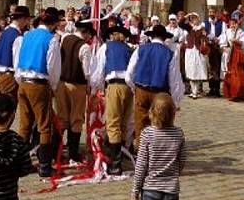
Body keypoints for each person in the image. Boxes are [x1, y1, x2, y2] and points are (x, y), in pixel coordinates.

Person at [131, 93, 186, 200]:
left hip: (150, 190)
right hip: (171, 190)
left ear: (151, 112)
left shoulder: (147, 134)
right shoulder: (178, 134)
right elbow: (181, 161)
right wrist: (174, 173)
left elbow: (141, 165)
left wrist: (136, 189)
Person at [15, 6, 61, 177]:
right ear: (55, 23)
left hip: (23, 81)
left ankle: (21, 163)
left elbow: (18, 60)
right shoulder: (51, 39)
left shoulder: (26, 36)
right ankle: (44, 165)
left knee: (24, 125)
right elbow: (53, 68)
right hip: (39, 83)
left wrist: (20, 80)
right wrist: (53, 87)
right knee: (44, 126)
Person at [126, 24, 184, 142]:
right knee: (158, 122)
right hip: (160, 94)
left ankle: (140, 150)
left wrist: (135, 88)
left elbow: (129, 74)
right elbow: (174, 80)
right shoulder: (169, 54)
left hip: (141, 90)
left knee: (140, 122)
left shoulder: (140, 49)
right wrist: (175, 100)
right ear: (164, 38)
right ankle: (157, 148)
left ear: (151, 36)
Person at [92, 24, 134, 175]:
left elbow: (99, 70)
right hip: (129, 87)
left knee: (113, 122)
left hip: (114, 85)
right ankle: (121, 156)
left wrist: (95, 89)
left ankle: (116, 164)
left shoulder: (106, 48)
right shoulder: (129, 49)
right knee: (124, 122)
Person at [55, 20, 94, 163]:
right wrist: (89, 85)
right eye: (90, 35)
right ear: (86, 33)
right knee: (76, 119)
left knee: (62, 118)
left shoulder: (65, 39)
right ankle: (73, 152)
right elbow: (87, 71)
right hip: (77, 85)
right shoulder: (84, 47)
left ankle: (56, 151)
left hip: (61, 83)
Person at [220, 16, 244, 101]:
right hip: (228, 54)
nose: (232, 25)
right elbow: (222, 44)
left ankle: (239, 92)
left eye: (234, 24)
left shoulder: (241, 32)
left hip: (237, 54)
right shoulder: (226, 32)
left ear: (237, 24)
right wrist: (226, 49)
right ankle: (231, 91)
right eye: (231, 24)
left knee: (240, 74)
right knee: (228, 73)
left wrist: (236, 41)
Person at [183, 14, 208, 99]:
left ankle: (195, 91)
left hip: (198, 52)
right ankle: (193, 91)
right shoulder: (189, 28)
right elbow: (181, 23)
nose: (194, 20)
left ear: (198, 19)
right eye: (192, 19)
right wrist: (187, 15)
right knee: (190, 70)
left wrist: (204, 35)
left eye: (195, 18)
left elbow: (204, 39)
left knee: (197, 71)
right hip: (190, 51)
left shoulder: (201, 28)